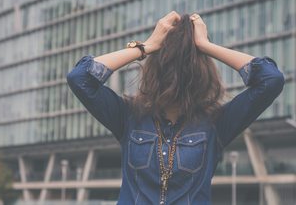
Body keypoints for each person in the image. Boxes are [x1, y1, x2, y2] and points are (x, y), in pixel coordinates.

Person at [66, 11, 285, 204]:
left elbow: (271, 79)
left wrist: (205, 46)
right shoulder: (128, 115)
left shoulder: (216, 123)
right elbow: (80, 78)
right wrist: (147, 47)